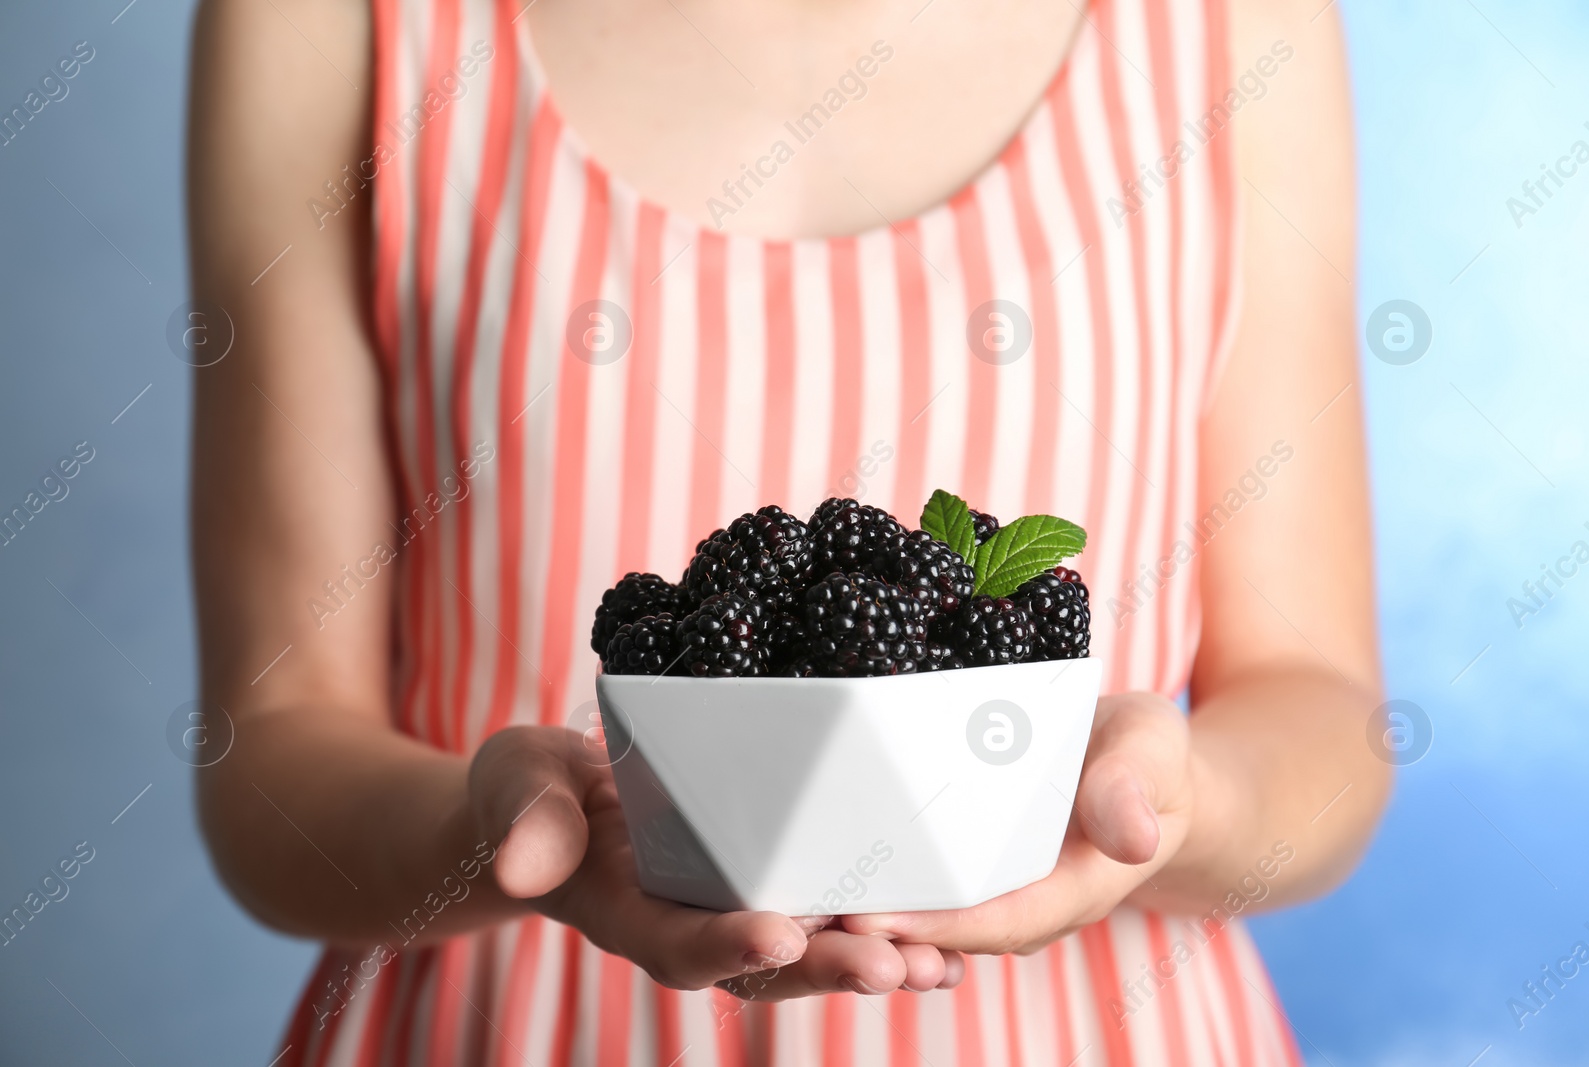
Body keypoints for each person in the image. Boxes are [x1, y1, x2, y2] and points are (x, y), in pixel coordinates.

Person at [186, 0, 1386, 1060]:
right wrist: (502, 827)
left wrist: (1165, 804)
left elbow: (1319, 707)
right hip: (498, 1027)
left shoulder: (1231, 23)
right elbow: (273, 761)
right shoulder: (334, 21)